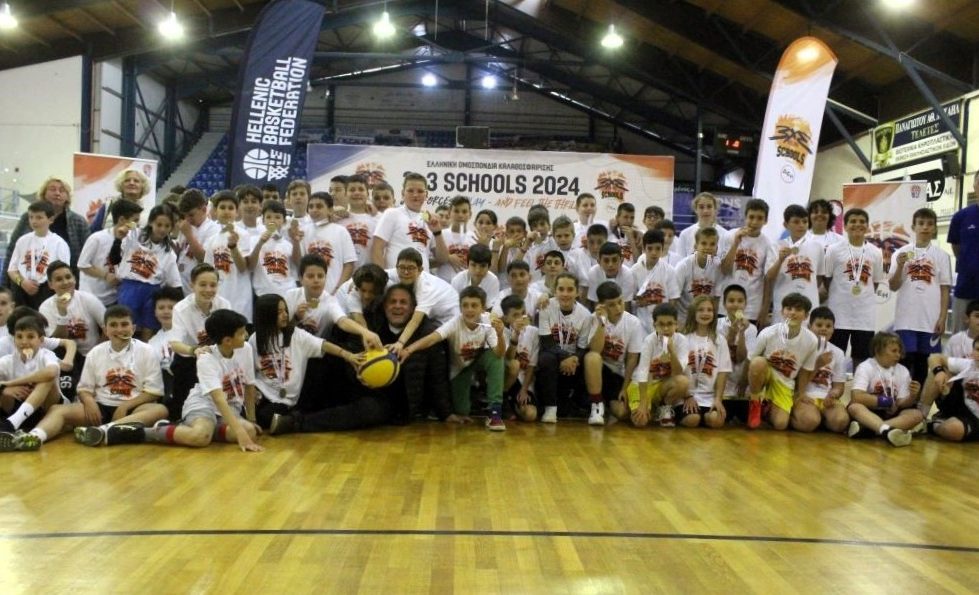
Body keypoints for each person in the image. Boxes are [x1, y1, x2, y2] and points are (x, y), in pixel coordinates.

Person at [269, 285, 464, 433]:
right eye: (392, 302)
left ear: (413, 308)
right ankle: (295, 409)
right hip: (360, 385)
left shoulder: (425, 333)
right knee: (321, 356)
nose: (397, 306)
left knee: (369, 411)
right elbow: (349, 349)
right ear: (384, 305)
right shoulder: (371, 325)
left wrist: (446, 413)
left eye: (403, 302)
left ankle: (295, 423)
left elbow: (437, 376)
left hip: (392, 403)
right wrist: (357, 372)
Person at [3, 307, 166, 451]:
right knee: (57, 410)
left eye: (124, 324)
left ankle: (105, 430)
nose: (119, 329)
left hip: (133, 408)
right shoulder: (95, 352)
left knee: (159, 410)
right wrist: (89, 402)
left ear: (133, 328)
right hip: (100, 408)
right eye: (113, 325)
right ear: (105, 330)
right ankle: (33, 437)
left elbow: (154, 392)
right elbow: (83, 389)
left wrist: (125, 406)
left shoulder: (147, 351)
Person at [99, 309, 264, 452]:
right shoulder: (206, 358)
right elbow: (218, 399)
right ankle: (142, 432)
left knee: (250, 431)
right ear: (227, 340)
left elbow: (249, 386)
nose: (246, 335)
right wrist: (240, 434)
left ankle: (200, 429)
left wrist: (251, 420)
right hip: (204, 405)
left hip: (229, 409)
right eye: (241, 333)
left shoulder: (246, 349)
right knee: (200, 437)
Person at [249, 294, 371, 429]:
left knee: (265, 417)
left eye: (285, 310)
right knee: (245, 409)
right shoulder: (254, 339)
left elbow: (323, 345)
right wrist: (252, 390)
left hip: (285, 399)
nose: (285, 315)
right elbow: (250, 370)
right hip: (263, 391)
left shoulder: (295, 334)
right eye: (279, 312)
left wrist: (348, 355)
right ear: (266, 315)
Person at [402, 286, 507, 430]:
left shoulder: (488, 320)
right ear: (460, 307)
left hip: (477, 359)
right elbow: (432, 338)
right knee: (462, 411)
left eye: (474, 305)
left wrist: (500, 335)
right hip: (460, 368)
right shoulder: (454, 323)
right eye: (465, 305)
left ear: (483, 308)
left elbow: (499, 353)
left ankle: (495, 412)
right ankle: (470, 399)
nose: (469, 309)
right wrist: (408, 350)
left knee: (495, 358)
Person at [889, 207, 952, 385]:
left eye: (929, 224)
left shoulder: (942, 256)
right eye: (921, 223)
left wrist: (942, 318)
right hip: (906, 319)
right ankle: (903, 397)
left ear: (934, 228)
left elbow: (945, 289)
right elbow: (893, 286)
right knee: (904, 360)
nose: (925, 227)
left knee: (924, 363)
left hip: (930, 319)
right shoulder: (900, 254)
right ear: (913, 227)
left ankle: (919, 400)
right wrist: (900, 267)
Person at [744, 293, 819, 430]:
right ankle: (755, 403)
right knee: (758, 362)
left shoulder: (811, 340)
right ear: (782, 312)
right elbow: (750, 360)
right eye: (789, 308)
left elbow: (806, 370)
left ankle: (767, 408)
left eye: (798, 309)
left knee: (781, 424)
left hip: (784, 382)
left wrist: (801, 393)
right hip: (764, 376)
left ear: (806, 316)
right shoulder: (768, 333)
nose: (792, 313)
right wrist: (743, 385)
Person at [822, 208, 885, 369]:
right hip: (838, 314)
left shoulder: (876, 252)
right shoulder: (833, 250)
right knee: (834, 357)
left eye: (862, 221)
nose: (858, 224)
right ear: (845, 226)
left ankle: (859, 385)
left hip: (864, 316)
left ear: (867, 226)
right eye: (853, 221)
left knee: (862, 359)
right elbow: (827, 278)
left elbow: (875, 283)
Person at [168, 263, 231, 420]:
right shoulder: (181, 309)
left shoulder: (224, 304)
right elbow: (174, 343)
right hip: (189, 361)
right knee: (182, 412)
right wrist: (194, 350)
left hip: (217, 359)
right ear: (192, 285)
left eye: (213, 285)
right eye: (202, 285)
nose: (208, 290)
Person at [111, 205, 183, 338]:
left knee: (149, 326)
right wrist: (118, 238)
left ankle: (147, 349)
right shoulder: (134, 234)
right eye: (159, 224)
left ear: (172, 227)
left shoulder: (169, 253)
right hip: (130, 287)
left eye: (167, 226)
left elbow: (176, 284)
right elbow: (114, 258)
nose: (162, 229)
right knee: (125, 324)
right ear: (150, 222)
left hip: (153, 291)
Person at [2, 177, 88, 288]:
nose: (57, 193)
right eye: (52, 189)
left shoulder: (78, 221)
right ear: (43, 194)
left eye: (62, 190)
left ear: (67, 197)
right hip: (24, 283)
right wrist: (5, 285)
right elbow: (12, 252)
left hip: (63, 282)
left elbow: (86, 255)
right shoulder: (27, 218)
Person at [846, 332, 922, 447]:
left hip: (890, 414)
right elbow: (857, 396)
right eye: (894, 351)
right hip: (870, 411)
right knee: (854, 407)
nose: (898, 355)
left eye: (899, 351)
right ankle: (887, 430)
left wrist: (912, 395)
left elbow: (901, 403)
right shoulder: (865, 367)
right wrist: (888, 401)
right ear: (878, 350)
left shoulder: (903, 370)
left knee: (917, 415)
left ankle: (871, 429)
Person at [536, 272, 593, 423]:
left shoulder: (586, 315)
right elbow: (546, 341)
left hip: (572, 363)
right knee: (546, 359)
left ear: (577, 292)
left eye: (570, 289)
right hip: (552, 355)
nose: (565, 294)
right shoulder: (546, 307)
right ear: (554, 291)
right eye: (561, 289)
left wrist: (573, 359)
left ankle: (580, 403)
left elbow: (582, 347)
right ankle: (550, 408)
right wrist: (566, 357)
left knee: (586, 360)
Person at [583, 282, 643, 426]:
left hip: (616, 374)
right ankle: (597, 405)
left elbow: (632, 359)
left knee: (622, 413)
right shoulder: (593, 318)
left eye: (620, 302)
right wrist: (602, 322)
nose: (618, 308)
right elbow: (595, 350)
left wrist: (624, 388)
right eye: (611, 305)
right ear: (601, 306)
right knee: (592, 358)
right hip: (595, 370)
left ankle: (605, 404)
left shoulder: (634, 322)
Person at [0, 316, 63, 444]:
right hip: (14, 407)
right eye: (19, 337)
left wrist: (10, 383)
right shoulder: (7, 361)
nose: (24, 341)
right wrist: (4, 388)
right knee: (4, 392)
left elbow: (51, 372)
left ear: (41, 340)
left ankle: (11, 424)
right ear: (14, 339)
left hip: (46, 408)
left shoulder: (47, 355)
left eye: (30, 336)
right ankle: (11, 425)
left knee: (47, 379)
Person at [371, 172, 448, 270]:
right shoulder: (392, 213)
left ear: (426, 195)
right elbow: (377, 248)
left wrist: (437, 233)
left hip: (422, 278)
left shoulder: (429, 220)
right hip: (395, 277)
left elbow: (443, 259)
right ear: (403, 194)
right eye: (410, 191)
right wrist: (381, 277)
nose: (415, 195)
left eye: (420, 191)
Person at [791, 307, 849, 433]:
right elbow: (796, 385)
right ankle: (804, 416)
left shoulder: (838, 352)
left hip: (825, 397)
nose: (824, 329)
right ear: (809, 327)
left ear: (833, 330)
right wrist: (817, 365)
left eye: (828, 326)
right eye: (819, 325)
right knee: (809, 421)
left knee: (841, 422)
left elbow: (839, 387)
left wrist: (833, 394)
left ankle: (822, 418)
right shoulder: (801, 348)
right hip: (803, 395)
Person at [631, 303, 690, 427]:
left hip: (662, 385)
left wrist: (671, 350)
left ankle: (663, 407)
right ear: (654, 325)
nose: (666, 328)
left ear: (677, 324)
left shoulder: (682, 341)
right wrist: (643, 402)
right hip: (643, 385)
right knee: (640, 422)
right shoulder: (649, 340)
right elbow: (642, 372)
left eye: (670, 324)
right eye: (661, 324)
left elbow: (678, 372)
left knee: (683, 381)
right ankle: (649, 408)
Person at [719, 199, 776, 325]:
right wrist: (735, 244)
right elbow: (724, 270)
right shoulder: (729, 236)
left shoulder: (768, 244)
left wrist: (765, 308)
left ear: (765, 221)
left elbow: (768, 280)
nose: (754, 222)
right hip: (726, 303)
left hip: (752, 306)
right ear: (745, 217)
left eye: (759, 218)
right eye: (751, 217)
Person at [78, 199, 143, 306]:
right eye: (134, 221)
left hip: (115, 298)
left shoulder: (133, 239)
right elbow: (82, 265)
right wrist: (105, 275)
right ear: (122, 220)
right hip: (91, 298)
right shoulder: (97, 238)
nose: (137, 225)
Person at [7, 201, 72, 309]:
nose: (34, 221)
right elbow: (12, 270)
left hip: (46, 289)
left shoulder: (59, 243)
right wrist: (22, 282)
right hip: (22, 288)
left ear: (51, 219)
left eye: (39, 217)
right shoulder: (22, 241)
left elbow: (64, 273)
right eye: (31, 217)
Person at [680, 296, 732, 429]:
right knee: (692, 419)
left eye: (709, 310)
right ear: (693, 313)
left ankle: (704, 416)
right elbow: (678, 372)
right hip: (686, 396)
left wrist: (718, 399)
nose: (705, 313)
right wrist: (687, 396)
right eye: (701, 310)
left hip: (709, 397)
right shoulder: (683, 338)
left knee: (716, 421)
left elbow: (722, 372)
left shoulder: (720, 340)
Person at [767, 205, 824, 325]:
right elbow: (769, 277)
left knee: (807, 335)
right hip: (784, 304)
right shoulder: (776, 246)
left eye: (805, 221)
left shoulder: (817, 247)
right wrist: (780, 260)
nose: (801, 225)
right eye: (796, 222)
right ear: (786, 224)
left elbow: (819, 277)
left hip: (809, 304)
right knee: (782, 335)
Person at [203, 191, 254, 324]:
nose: (226, 211)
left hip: (239, 296)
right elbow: (208, 270)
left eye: (231, 208)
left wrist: (233, 247)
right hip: (218, 295)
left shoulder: (244, 235)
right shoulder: (211, 240)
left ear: (237, 212)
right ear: (215, 211)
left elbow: (243, 268)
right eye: (222, 207)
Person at [919, 336, 979, 442]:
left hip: (975, 418)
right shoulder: (969, 364)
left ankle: (931, 426)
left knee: (954, 430)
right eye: (977, 349)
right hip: (960, 405)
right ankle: (921, 416)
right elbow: (933, 357)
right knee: (941, 370)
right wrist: (939, 372)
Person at [301, 192, 357, 295]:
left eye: (319, 206)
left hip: (336, 291)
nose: (314, 210)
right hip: (310, 292)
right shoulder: (303, 232)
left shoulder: (340, 231)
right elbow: (300, 264)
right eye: (311, 206)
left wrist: (338, 289)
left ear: (330, 210)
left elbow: (349, 264)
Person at [717, 284, 757, 423]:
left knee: (748, 421)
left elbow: (741, 358)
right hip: (723, 385)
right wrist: (732, 333)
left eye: (740, 301)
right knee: (720, 420)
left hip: (741, 385)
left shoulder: (751, 329)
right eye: (731, 301)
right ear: (724, 304)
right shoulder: (717, 325)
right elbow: (723, 357)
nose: (736, 305)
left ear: (745, 304)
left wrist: (742, 332)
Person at [249, 200, 302, 298]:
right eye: (268, 217)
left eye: (277, 217)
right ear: (263, 220)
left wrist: (296, 241)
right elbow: (250, 266)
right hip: (263, 294)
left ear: (284, 221)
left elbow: (298, 264)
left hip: (287, 293)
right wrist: (260, 243)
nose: (272, 220)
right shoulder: (253, 240)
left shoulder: (288, 244)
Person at [947, 171, 979, 333]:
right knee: (959, 337)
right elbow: (956, 247)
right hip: (966, 288)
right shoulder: (961, 217)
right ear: (974, 186)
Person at [631, 230, 679, 334]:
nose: (654, 252)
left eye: (658, 248)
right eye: (650, 248)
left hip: (662, 321)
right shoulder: (634, 270)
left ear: (662, 248)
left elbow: (673, 299)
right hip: (641, 321)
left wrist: (669, 320)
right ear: (644, 248)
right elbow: (630, 298)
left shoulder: (669, 271)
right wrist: (638, 302)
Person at [499, 295, 538, 422]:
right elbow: (508, 359)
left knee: (530, 415)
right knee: (514, 364)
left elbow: (532, 365)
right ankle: (502, 399)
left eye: (522, 313)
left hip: (524, 382)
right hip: (506, 380)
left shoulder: (534, 333)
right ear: (506, 318)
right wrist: (515, 335)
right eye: (515, 315)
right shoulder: (501, 333)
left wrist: (524, 389)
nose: (520, 318)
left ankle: (513, 405)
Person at [175, 189, 221, 294]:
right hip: (181, 283)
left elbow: (204, 259)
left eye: (191, 215)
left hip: (197, 288)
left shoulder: (213, 229)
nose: (187, 219)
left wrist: (189, 235)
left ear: (204, 209)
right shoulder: (187, 226)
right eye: (185, 215)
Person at [673, 227, 721, 326]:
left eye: (712, 244)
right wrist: (675, 322)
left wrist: (713, 323)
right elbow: (674, 297)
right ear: (695, 246)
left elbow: (716, 298)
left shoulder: (718, 267)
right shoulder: (683, 266)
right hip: (683, 318)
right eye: (703, 243)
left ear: (717, 249)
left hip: (705, 318)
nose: (708, 247)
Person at [673, 192, 730, 259]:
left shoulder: (725, 234)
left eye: (709, 206)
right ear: (695, 209)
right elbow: (679, 260)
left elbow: (727, 262)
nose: (705, 211)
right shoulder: (685, 234)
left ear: (715, 209)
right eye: (701, 207)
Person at [339, 174, 377, 266]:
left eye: (361, 189)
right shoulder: (337, 219)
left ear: (367, 194)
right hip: (343, 272)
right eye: (352, 190)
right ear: (345, 194)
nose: (356, 193)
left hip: (369, 272)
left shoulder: (377, 220)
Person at [585, 242, 635, 310]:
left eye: (614, 260)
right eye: (606, 260)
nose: (610, 264)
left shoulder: (627, 274)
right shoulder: (593, 272)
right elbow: (596, 303)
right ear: (599, 262)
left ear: (622, 260)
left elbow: (626, 305)